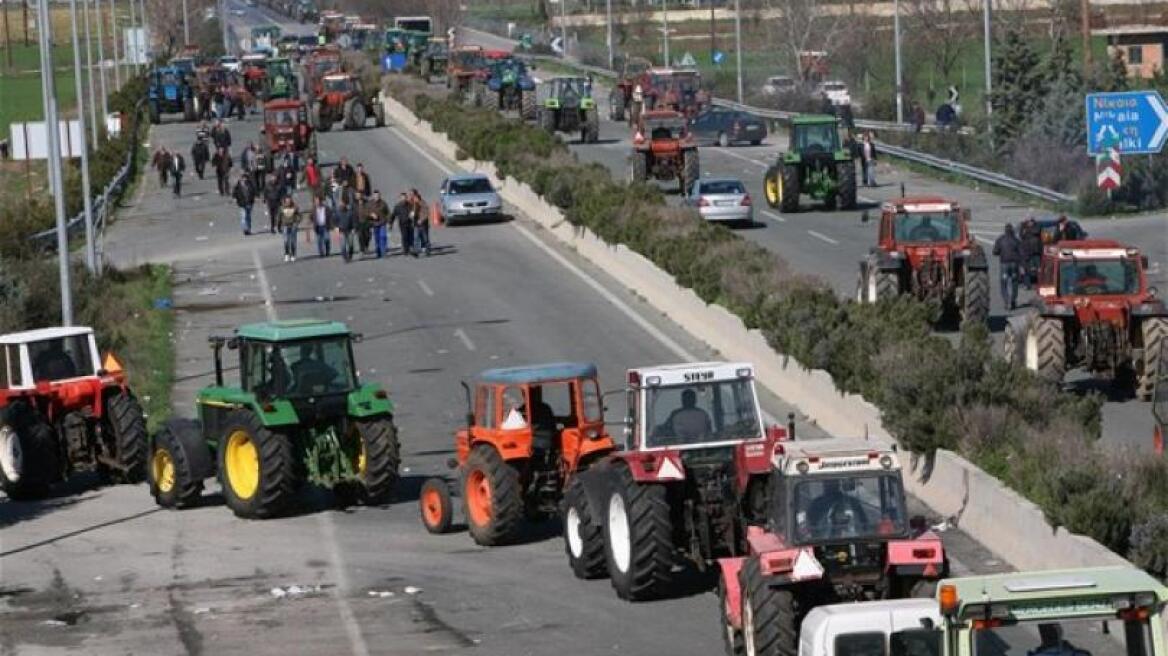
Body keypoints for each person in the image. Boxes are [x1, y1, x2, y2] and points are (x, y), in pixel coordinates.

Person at [993, 223, 1022, 311]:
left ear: (1005, 230)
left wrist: (1000, 253)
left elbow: (995, 251)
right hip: (1014, 264)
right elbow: (1021, 252)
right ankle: (1013, 300)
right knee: (1014, 282)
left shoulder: (1000, 239)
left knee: (1004, 284)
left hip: (1004, 264)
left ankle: (1007, 300)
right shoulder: (1016, 240)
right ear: (1012, 230)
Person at [366, 190, 391, 258]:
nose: (377, 197)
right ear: (373, 196)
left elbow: (388, 213)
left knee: (383, 237)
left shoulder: (383, 203)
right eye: (375, 195)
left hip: (382, 223)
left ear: (380, 196)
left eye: (378, 195)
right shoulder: (369, 203)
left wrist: (389, 222)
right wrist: (371, 214)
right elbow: (366, 212)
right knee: (377, 239)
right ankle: (378, 252)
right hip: (374, 224)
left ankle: (383, 253)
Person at [1019, 217, 1042, 289]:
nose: (1029, 223)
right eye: (1028, 222)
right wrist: (1023, 226)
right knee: (1027, 269)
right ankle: (1027, 285)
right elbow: (1021, 235)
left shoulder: (1036, 227)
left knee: (1039, 269)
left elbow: (1036, 231)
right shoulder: (1025, 229)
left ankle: (1040, 283)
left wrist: (1027, 229)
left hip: (1036, 252)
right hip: (1027, 252)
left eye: (1030, 222)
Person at [278, 195, 301, 262]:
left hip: (293, 225)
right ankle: (287, 254)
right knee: (286, 241)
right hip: (285, 225)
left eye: (289, 200)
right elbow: (279, 218)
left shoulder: (295, 207)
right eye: (287, 201)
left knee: (293, 241)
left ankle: (293, 254)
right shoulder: (282, 208)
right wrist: (279, 226)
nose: (288, 202)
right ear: (285, 201)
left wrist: (297, 223)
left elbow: (299, 216)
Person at [410, 188, 432, 257]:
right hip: (416, 224)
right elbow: (412, 212)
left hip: (423, 224)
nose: (411, 196)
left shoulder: (422, 202)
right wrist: (411, 216)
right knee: (416, 238)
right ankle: (416, 252)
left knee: (425, 238)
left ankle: (427, 250)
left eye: (412, 194)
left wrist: (421, 220)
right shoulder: (412, 203)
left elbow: (427, 212)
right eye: (410, 194)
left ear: (416, 195)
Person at [335, 197, 357, 262]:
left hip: (349, 230)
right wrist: (336, 228)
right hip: (341, 230)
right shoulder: (337, 212)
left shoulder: (350, 212)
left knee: (351, 244)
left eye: (343, 203)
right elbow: (335, 220)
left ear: (345, 204)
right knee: (343, 245)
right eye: (341, 203)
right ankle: (345, 257)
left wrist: (354, 228)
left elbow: (353, 220)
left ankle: (350, 256)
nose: (341, 205)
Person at [392, 192, 413, 257]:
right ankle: (405, 250)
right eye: (402, 197)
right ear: (400, 198)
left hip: (409, 222)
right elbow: (393, 215)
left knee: (410, 236)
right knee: (404, 236)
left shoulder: (410, 205)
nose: (404, 198)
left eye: (405, 197)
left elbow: (413, 212)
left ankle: (410, 247)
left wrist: (413, 215)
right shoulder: (398, 206)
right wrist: (390, 223)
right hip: (402, 223)